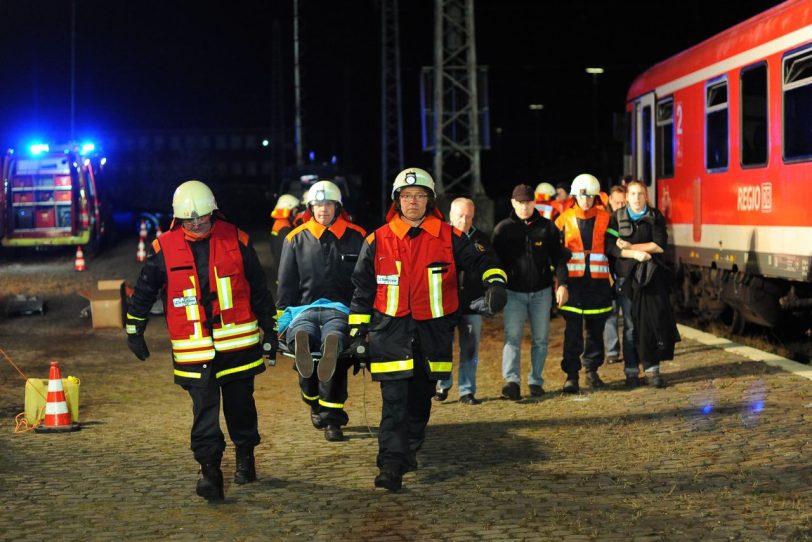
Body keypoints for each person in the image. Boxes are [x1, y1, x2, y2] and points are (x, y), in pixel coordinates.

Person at [350, 167, 507, 492]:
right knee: (394, 402)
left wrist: (495, 281)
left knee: (420, 401)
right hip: (389, 335)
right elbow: (362, 290)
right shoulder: (377, 239)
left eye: (420, 196)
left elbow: (483, 259)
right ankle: (391, 465)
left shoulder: (448, 236)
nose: (413, 202)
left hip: (431, 335)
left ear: (430, 200)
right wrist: (356, 332)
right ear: (397, 200)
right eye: (406, 196)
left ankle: (409, 448)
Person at [125, 180, 277, 502]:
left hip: (238, 346)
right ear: (178, 219)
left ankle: (245, 455)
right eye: (188, 219)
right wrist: (134, 329)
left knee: (240, 407)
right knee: (204, 412)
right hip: (195, 349)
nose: (196, 223)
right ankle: (210, 471)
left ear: (213, 211)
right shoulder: (162, 249)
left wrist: (270, 327)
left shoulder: (237, 240)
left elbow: (258, 288)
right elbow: (144, 293)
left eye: (202, 217)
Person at [276, 180, 366, 441]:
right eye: (318, 204)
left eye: (328, 204)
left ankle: (331, 421)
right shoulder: (295, 238)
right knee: (312, 354)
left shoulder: (357, 236)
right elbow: (287, 283)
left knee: (334, 355)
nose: (323, 209)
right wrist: (282, 322)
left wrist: (364, 320)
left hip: (342, 313)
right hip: (303, 311)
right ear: (310, 207)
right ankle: (316, 402)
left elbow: (366, 281)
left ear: (338, 207)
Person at [493, 184, 568, 401]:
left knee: (541, 339)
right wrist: (494, 287)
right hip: (513, 293)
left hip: (541, 293)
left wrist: (562, 283)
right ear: (513, 203)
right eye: (520, 202)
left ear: (534, 202)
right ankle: (512, 382)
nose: (524, 207)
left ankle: (535, 381)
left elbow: (559, 257)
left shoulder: (547, 227)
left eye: (528, 202)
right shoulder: (503, 230)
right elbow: (494, 262)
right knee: (512, 337)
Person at [609, 180, 679, 388]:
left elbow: (658, 245)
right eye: (633, 194)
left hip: (650, 279)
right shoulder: (616, 218)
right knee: (630, 326)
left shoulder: (655, 216)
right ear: (627, 196)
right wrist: (636, 254)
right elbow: (612, 248)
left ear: (646, 196)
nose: (637, 198)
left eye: (640, 194)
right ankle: (631, 372)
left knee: (651, 323)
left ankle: (652, 371)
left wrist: (631, 246)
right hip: (626, 278)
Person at [554, 173, 614, 393]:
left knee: (595, 332)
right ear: (574, 196)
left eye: (590, 196)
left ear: (596, 197)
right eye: (582, 196)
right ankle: (571, 376)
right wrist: (561, 283)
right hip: (573, 285)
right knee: (572, 333)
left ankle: (592, 371)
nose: (586, 200)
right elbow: (557, 255)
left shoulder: (606, 218)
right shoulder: (562, 219)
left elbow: (613, 250)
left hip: (598, 286)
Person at [434, 197, 494, 405]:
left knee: (470, 349)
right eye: (460, 216)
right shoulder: (439, 238)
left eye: (468, 216)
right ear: (450, 215)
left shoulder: (482, 240)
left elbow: (490, 265)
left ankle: (467, 390)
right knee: (443, 347)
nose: (464, 220)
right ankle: (442, 385)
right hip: (445, 304)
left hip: (472, 304)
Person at [603, 185, 636, 369]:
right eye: (617, 202)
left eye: (624, 202)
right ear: (609, 200)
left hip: (624, 274)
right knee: (611, 314)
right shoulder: (604, 219)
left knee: (629, 316)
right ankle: (612, 351)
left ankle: (629, 351)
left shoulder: (629, 219)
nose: (620, 205)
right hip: (607, 274)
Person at [269, 193, 299, 294]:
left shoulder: (278, 223)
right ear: (288, 210)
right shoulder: (286, 229)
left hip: (280, 272)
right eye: (295, 210)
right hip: (288, 276)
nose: (296, 213)